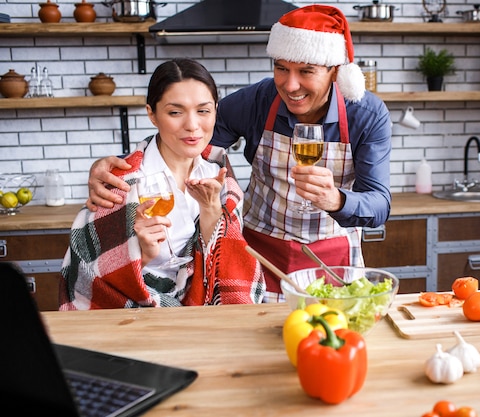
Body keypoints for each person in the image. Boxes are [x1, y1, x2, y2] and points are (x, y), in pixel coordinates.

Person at [84, 5, 392, 302]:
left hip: (333, 256)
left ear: (335, 71)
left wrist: (336, 200)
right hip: (261, 254)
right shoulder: (259, 100)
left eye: (306, 71)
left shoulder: (366, 114)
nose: (290, 84)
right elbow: (188, 137)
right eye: (281, 68)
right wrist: (125, 167)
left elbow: (379, 204)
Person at [59, 58, 265, 310]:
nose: (192, 125)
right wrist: (138, 256)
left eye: (203, 110)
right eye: (175, 112)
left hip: (202, 317)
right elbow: (87, 276)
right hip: (135, 316)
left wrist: (211, 209)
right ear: (152, 115)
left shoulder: (219, 175)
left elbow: (223, 264)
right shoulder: (122, 182)